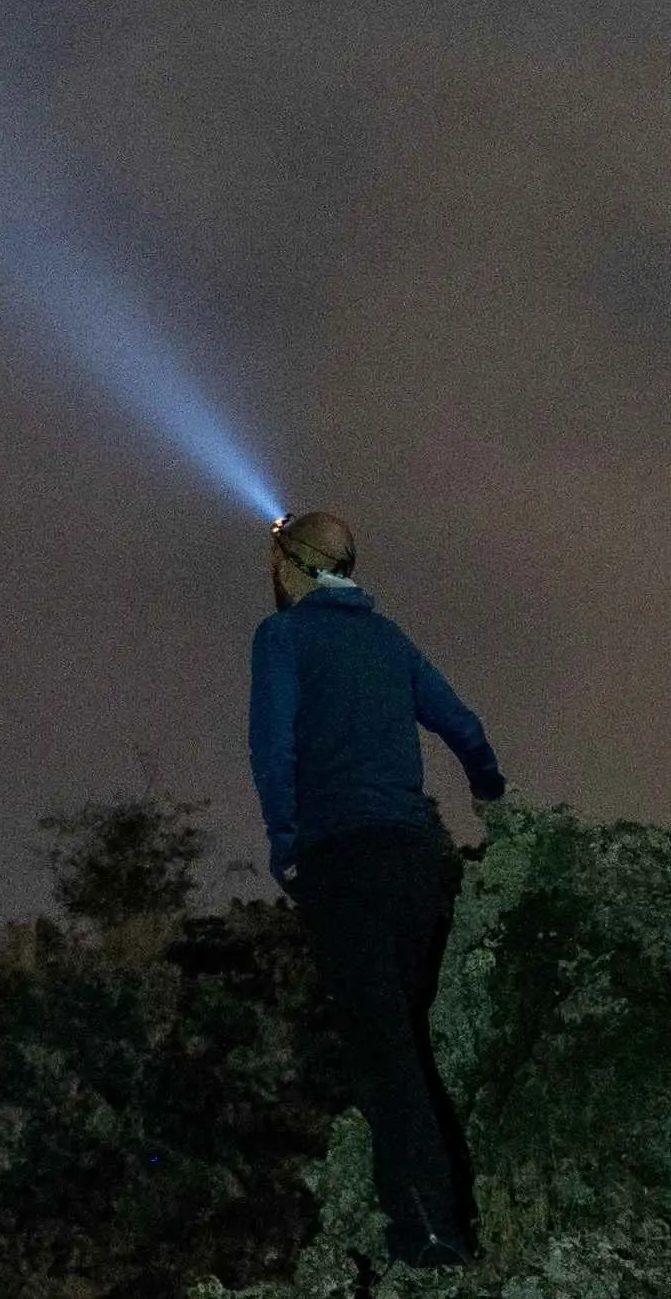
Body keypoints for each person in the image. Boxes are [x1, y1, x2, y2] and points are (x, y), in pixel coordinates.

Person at [251, 507, 507, 1271]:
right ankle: (457, 1213)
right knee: (417, 1043)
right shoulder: (388, 639)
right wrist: (489, 790)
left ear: (290, 564)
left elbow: (272, 744)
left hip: (343, 861)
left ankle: (427, 1235)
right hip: (415, 857)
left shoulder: (284, 637)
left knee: (384, 1052)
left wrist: (286, 846)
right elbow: (462, 722)